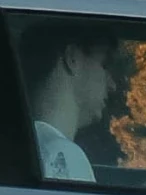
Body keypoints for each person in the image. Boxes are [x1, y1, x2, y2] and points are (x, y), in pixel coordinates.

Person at [22, 29, 114, 181]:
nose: (112, 85)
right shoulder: (62, 155)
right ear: (72, 58)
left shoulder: (29, 149)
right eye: (105, 65)